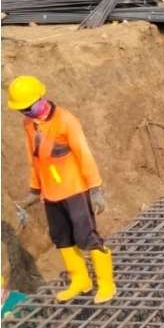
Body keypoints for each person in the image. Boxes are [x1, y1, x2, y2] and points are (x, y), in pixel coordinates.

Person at [7, 75, 116, 304]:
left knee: (87, 236)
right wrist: (35, 189)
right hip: (51, 193)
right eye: (22, 110)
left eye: (28, 108)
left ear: (40, 98)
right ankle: (81, 280)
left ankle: (106, 283)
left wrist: (95, 188)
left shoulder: (66, 120)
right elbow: (33, 158)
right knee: (62, 238)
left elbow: (83, 154)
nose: (26, 113)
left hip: (75, 190)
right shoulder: (29, 124)